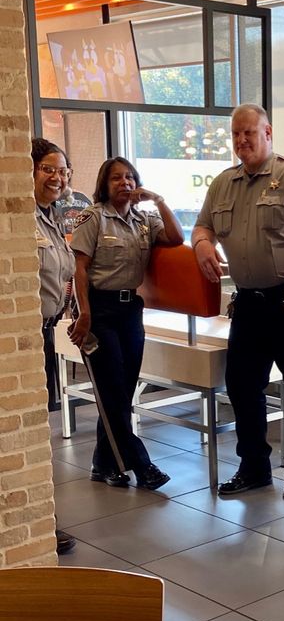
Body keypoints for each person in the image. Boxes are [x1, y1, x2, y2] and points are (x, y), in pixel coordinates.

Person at [192, 104, 284, 499]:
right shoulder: (223, 183)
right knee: (242, 386)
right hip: (249, 304)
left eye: (249, 133)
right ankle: (254, 466)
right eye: (236, 133)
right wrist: (203, 244)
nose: (241, 140)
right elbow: (202, 225)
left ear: (268, 133)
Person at [69, 157, 184, 490]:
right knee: (112, 389)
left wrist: (159, 201)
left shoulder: (144, 220)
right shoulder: (93, 217)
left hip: (130, 311)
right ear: (105, 184)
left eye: (131, 177)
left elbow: (176, 238)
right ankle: (142, 465)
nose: (125, 183)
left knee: (121, 391)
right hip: (99, 310)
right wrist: (84, 313)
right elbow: (79, 269)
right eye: (117, 178)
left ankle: (102, 463)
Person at [32, 138, 77, 555]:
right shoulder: (23, 218)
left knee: (40, 430)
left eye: (63, 170)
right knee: (31, 432)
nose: (58, 177)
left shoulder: (53, 216)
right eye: (48, 168)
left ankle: (42, 518)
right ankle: (41, 522)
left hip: (47, 331)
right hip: (24, 338)